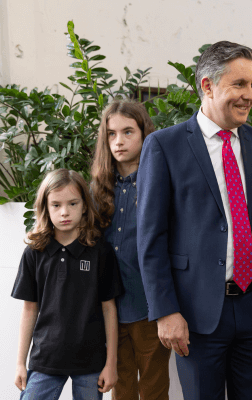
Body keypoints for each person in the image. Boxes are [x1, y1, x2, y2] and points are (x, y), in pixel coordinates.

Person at [137, 41, 252, 400]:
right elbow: (150, 239)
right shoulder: (165, 146)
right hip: (197, 316)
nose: (250, 95)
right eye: (239, 84)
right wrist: (166, 312)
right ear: (208, 86)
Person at [12, 168, 123, 399]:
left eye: (73, 203)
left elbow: (109, 308)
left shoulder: (100, 251)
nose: (65, 212)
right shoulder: (34, 253)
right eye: (56, 205)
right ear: (45, 207)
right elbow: (29, 309)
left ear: (84, 205)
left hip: (91, 362)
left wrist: (111, 363)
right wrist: (20, 363)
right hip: (46, 358)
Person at [91, 99, 171, 400]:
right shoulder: (98, 189)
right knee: (120, 389)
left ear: (144, 134)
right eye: (111, 134)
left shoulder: (160, 182)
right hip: (109, 309)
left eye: (127, 132)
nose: (118, 141)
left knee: (153, 389)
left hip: (150, 308)